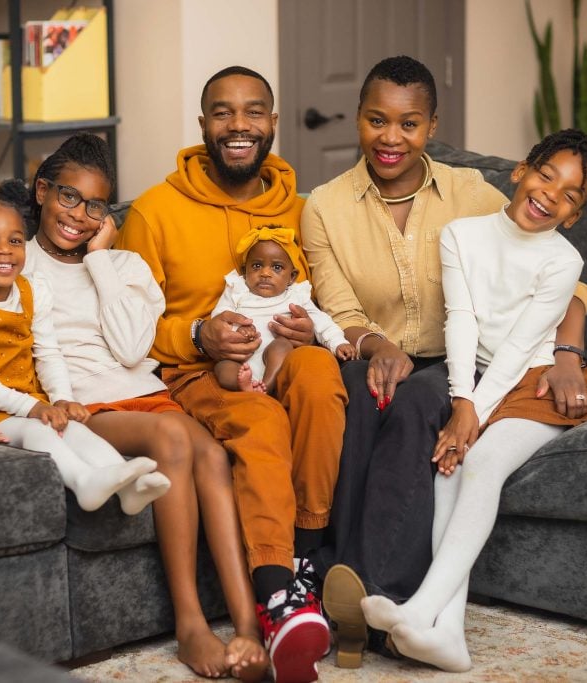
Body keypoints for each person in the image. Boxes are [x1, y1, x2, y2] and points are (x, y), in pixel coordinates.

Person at [0, 135, 267, 680]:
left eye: (95, 205)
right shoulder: (10, 256)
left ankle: (248, 627)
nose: (78, 215)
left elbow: (131, 348)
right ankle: (191, 624)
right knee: (176, 438)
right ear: (42, 191)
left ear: (108, 214)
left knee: (213, 455)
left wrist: (100, 259)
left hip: (147, 394)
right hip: (86, 407)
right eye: (68, 197)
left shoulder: (125, 265)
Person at [301, 55, 587, 667]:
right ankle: (344, 585)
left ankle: (381, 595)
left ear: (432, 127)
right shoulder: (324, 206)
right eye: (376, 120)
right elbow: (338, 305)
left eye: (409, 124)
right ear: (358, 119)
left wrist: (568, 352)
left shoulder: (471, 192)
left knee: (416, 407)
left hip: (456, 362)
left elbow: (560, 282)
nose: (391, 138)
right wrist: (379, 348)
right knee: (361, 395)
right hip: (372, 350)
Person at [116, 66, 347, 683]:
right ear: (203, 126)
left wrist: (306, 330)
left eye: (253, 112)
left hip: (284, 358)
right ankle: (276, 592)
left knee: (323, 376)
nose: (238, 125)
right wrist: (197, 333)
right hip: (199, 375)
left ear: (273, 122)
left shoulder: (303, 210)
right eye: (223, 112)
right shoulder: (153, 213)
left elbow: (327, 301)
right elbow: (126, 334)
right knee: (259, 414)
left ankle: (306, 554)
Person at [360, 129, 587, 671]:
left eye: (570, 196)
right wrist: (461, 399)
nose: (551, 195)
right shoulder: (461, 235)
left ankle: (423, 608)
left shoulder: (564, 262)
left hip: (537, 376)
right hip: (478, 372)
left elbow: (522, 345)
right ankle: (448, 634)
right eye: (547, 176)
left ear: (573, 216)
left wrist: (472, 411)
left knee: (483, 462)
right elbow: (463, 320)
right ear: (521, 171)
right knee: (449, 465)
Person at [0, 179, 169, 515]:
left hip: (28, 400)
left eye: (14, 240)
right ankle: (84, 482)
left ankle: (128, 486)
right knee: (39, 431)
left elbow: (48, 352)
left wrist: (62, 399)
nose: (4, 250)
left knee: (74, 429)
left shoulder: (31, 289)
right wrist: (33, 409)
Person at [211, 224, 355, 393]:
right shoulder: (237, 289)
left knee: (282, 346)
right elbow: (220, 316)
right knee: (222, 367)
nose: (265, 273)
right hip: (240, 358)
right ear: (245, 270)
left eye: (277, 267)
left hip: (275, 358)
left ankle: (268, 384)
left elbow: (321, 321)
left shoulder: (296, 295)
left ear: (292, 277)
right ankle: (246, 386)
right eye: (256, 266)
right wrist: (237, 329)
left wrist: (338, 342)